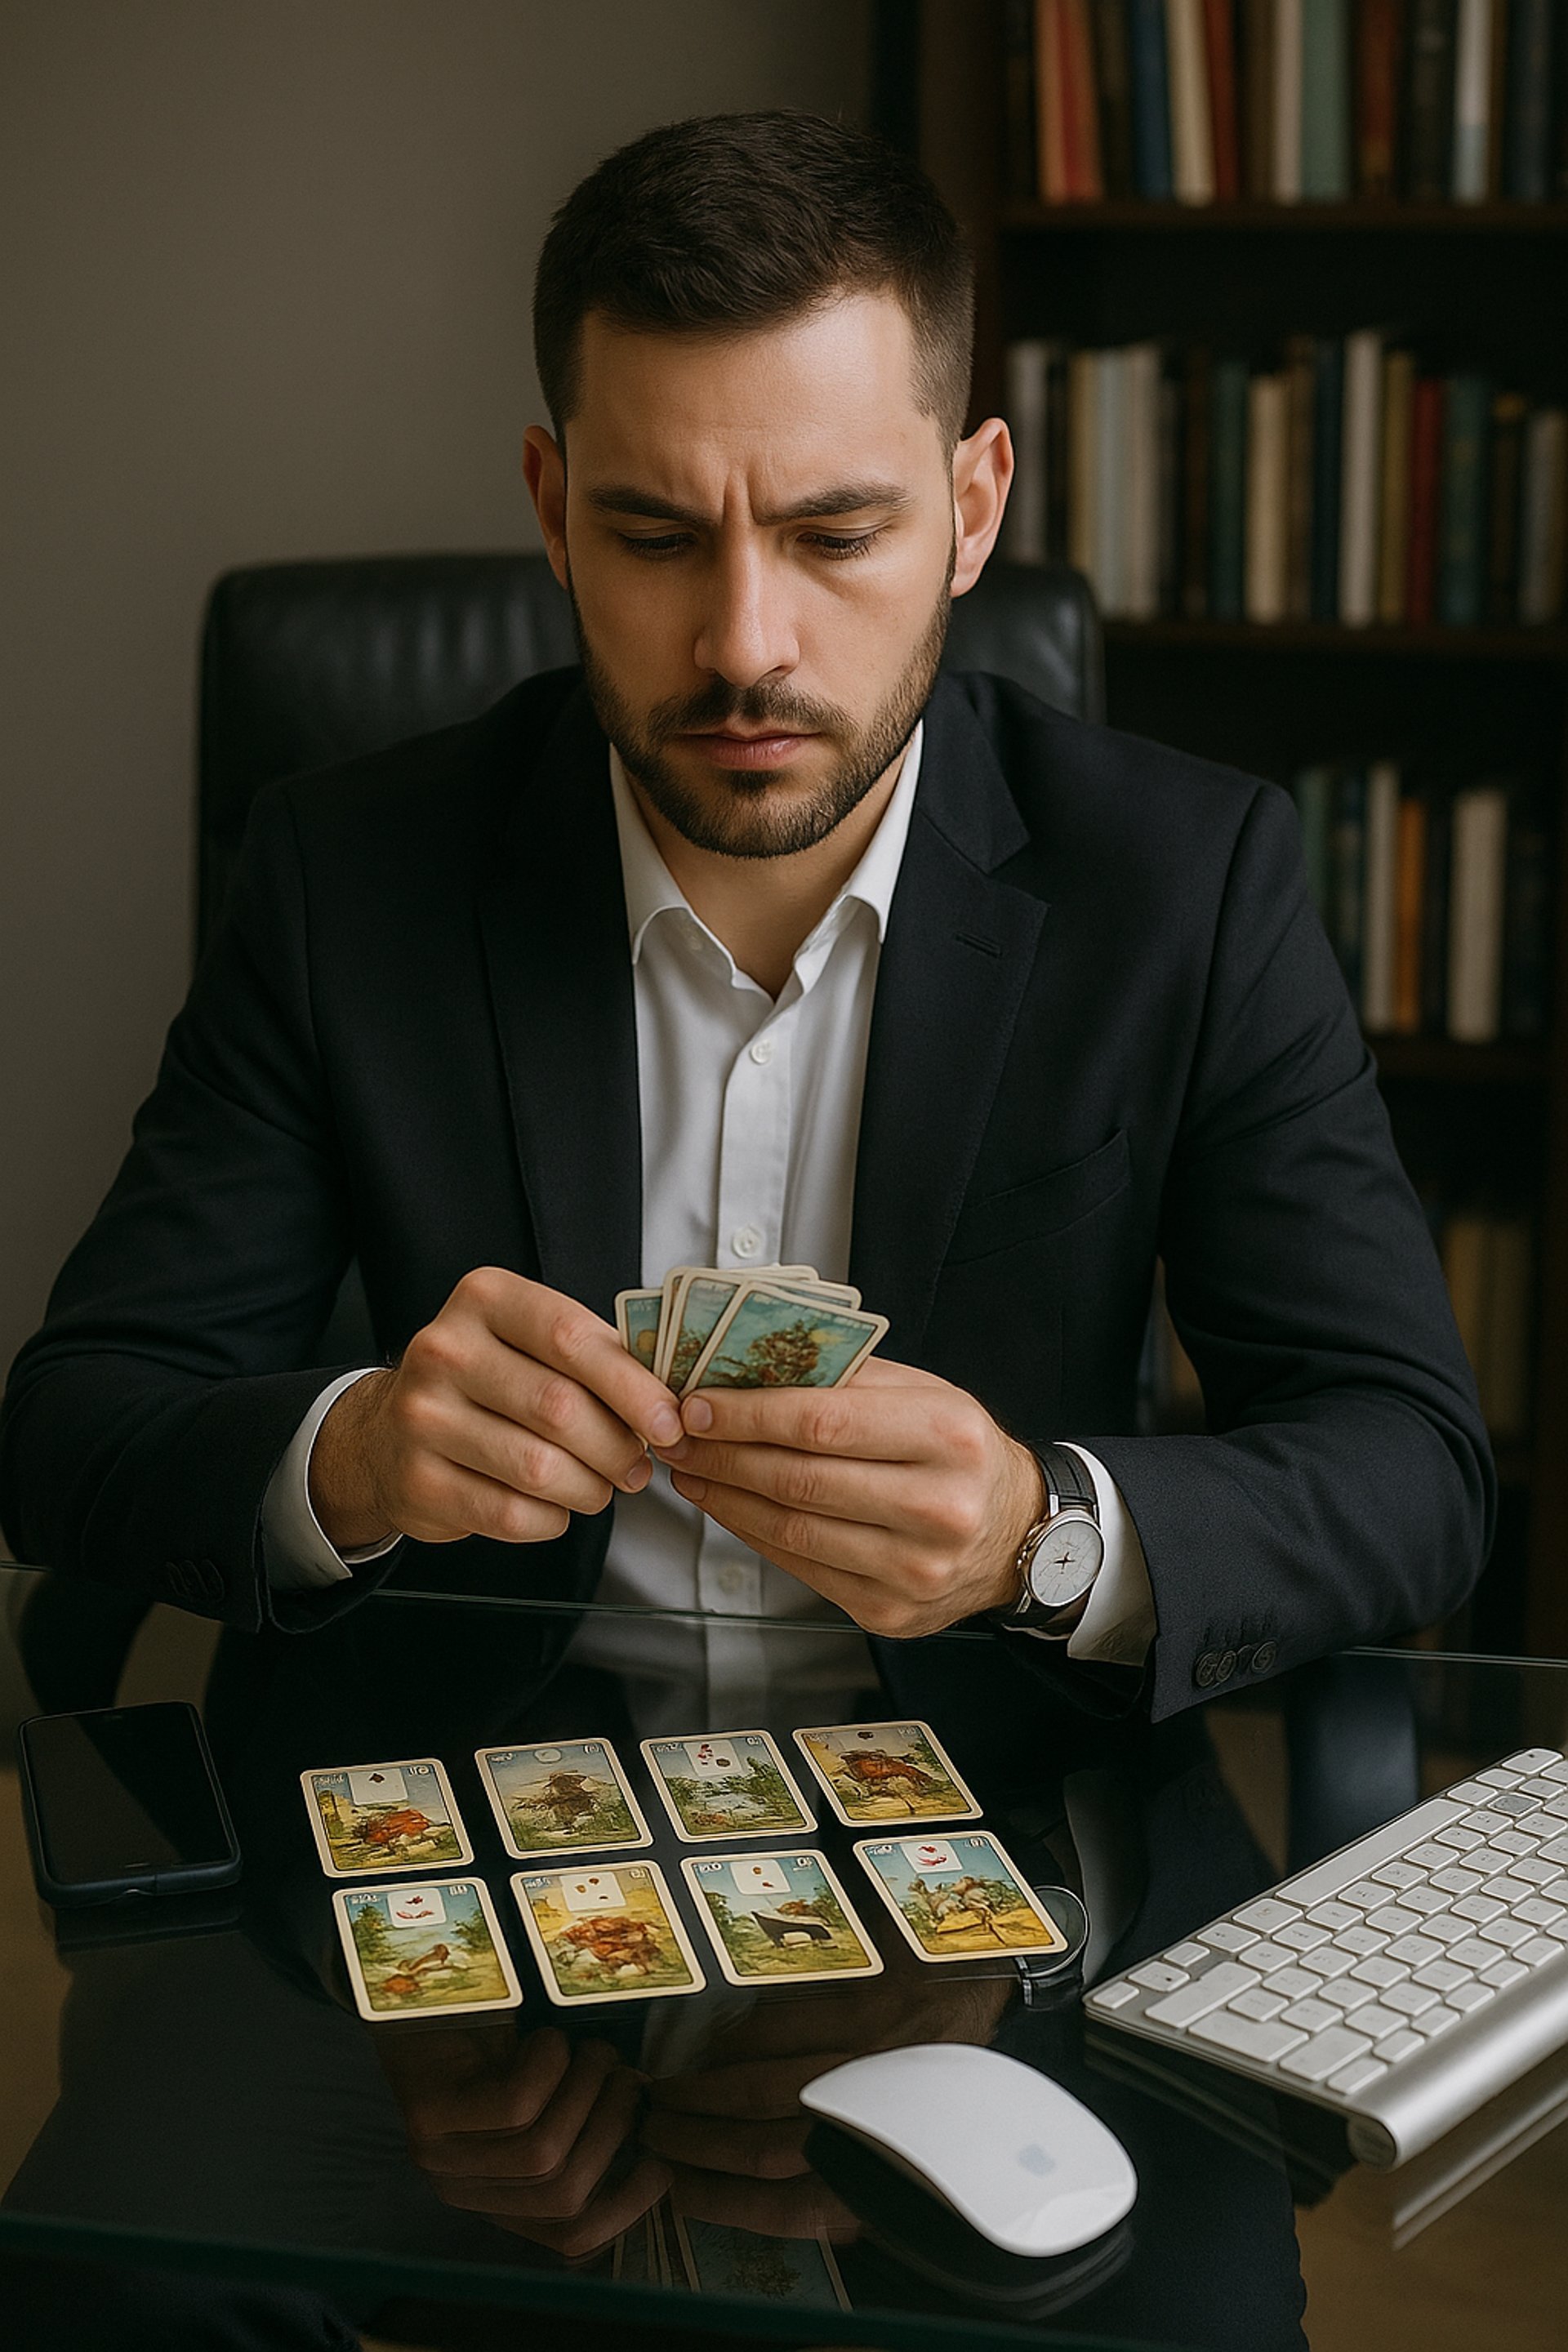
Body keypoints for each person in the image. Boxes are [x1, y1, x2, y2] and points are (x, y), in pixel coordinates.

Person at [0, 110, 1491, 1758]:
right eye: (654, 537)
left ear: (972, 509)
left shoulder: (1192, 883)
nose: (743, 644)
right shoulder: (344, 876)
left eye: (835, 535)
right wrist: (351, 1460)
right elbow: (74, 1428)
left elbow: (1413, 1465)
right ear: (553, 510)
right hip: (472, 1792)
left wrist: (1037, 1535)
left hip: (994, 1804)